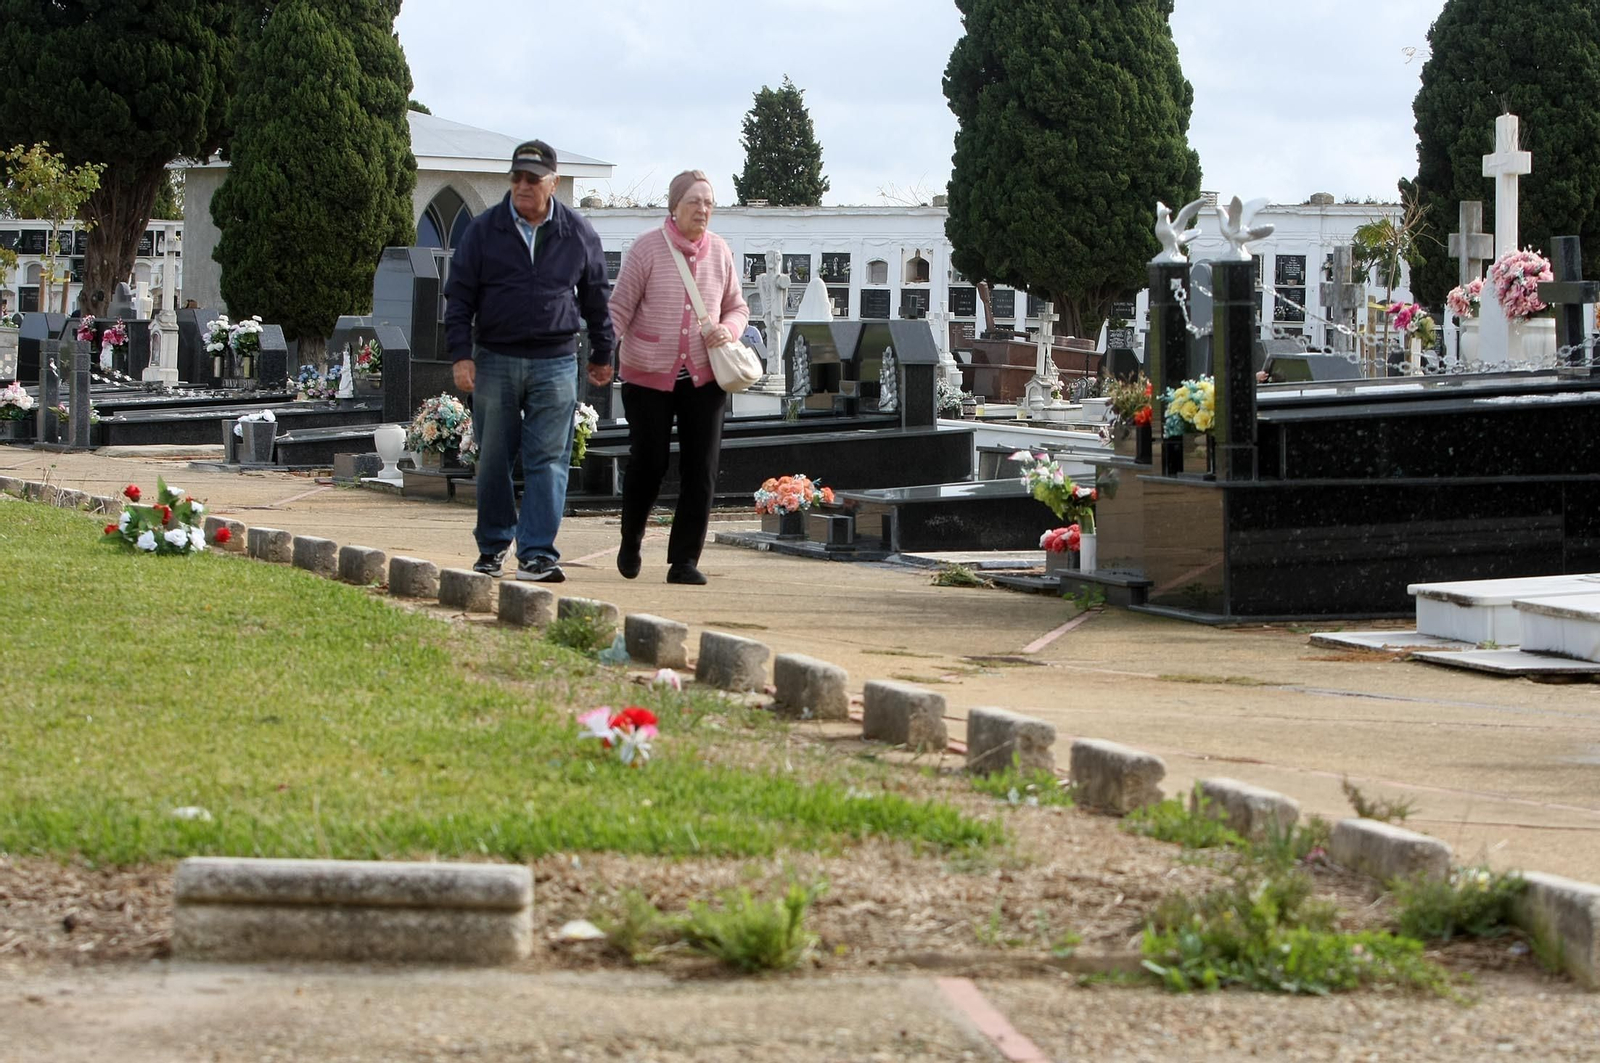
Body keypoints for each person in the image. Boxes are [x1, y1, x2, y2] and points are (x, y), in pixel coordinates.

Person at [444, 139, 614, 583]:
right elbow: (459, 297)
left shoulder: (577, 232)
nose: (522, 186)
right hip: (495, 358)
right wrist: (461, 355)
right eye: (517, 177)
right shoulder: (483, 230)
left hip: (556, 361)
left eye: (532, 179)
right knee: (494, 456)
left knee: (549, 459)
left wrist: (602, 353)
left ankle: (537, 553)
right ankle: (494, 545)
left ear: (552, 183)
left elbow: (596, 297)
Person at [608, 170, 749, 585]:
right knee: (649, 464)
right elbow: (619, 309)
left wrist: (732, 329)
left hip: (705, 375)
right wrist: (601, 354)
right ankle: (631, 538)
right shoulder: (647, 249)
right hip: (648, 373)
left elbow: (737, 307)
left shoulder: (721, 252)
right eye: (694, 201)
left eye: (708, 202)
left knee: (701, 468)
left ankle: (684, 560)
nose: (703, 209)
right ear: (674, 206)